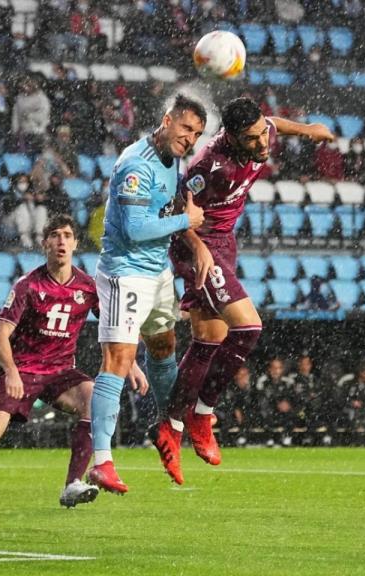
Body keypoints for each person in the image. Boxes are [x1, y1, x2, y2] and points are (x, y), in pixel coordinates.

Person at [152, 97, 334, 484]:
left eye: (261, 135)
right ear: (231, 137)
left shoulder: (261, 131)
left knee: (208, 338)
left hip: (224, 243)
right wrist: (198, 249)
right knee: (248, 329)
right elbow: (174, 210)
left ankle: (170, 426)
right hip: (197, 243)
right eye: (251, 140)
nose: (263, 145)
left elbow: (272, 123)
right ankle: (202, 413)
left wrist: (310, 131)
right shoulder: (208, 165)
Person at [0, 215, 143, 509]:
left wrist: (131, 365)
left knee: (95, 399)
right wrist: (11, 372)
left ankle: (72, 484)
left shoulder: (88, 287)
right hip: (23, 370)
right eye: (54, 235)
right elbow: (0, 334)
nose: (61, 241)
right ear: (44, 244)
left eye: (67, 235)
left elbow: (112, 330)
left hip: (61, 372)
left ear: (75, 243)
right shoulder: (28, 285)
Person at [88, 94, 208, 494]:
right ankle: (101, 461)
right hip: (126, 272)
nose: (190, 138)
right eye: (186, 128)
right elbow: (137, 230)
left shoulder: (172, 159)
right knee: (119, 359)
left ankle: (170, 426)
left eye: (197, 133)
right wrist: (186, 220)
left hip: (157, 272)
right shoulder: (135, 165)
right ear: (166, 119)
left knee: (164, 347)